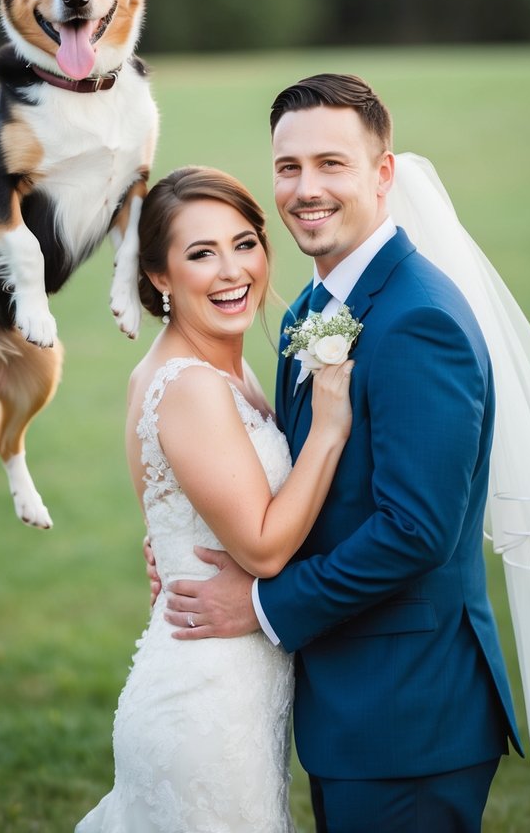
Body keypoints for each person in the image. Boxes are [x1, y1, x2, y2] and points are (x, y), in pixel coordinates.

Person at [165, 75, 530, 833]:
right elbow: (310, 485)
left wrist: (261, 604)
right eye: (288, 167)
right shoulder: (311, 306)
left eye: (332, 164)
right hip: (351, 704)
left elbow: (415, 531)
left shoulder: (417, 320)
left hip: (409, 714)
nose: (305, 189)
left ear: (383, 174)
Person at [75, 166, 353, 833]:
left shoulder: (225, 364)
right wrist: (329, 427)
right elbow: (260, 546)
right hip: (204, 706)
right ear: (160, 277)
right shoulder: (191, 384)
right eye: (201, 254)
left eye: (243, 242)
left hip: (235, 692)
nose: (232, 271)